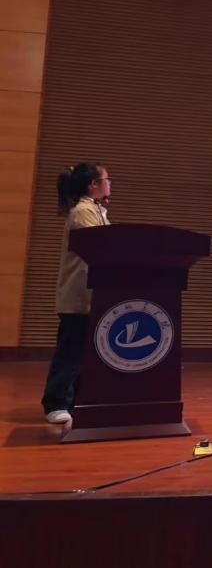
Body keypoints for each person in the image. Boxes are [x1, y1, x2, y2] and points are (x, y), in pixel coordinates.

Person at [41, 163, 111, 424]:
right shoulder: (83, 211)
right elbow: (103, 245)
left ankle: (75, 400)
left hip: (92, 296)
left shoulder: (95, 209)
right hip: (78, 295)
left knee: (83, 353)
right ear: (93, 185)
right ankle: (55, 403)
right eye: (106, 179)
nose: (110, 184)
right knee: (70, 352)